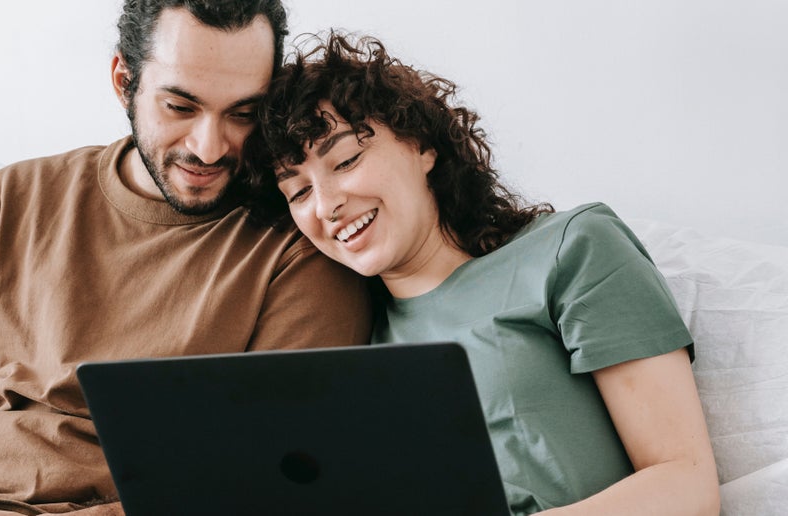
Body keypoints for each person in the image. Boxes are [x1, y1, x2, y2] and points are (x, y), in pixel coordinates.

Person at [0, 3, 372, 515]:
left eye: (242, 113)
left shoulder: (299, 247)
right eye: (180, 107)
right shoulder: (14, 195)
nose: (209, 148)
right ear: (124, 81)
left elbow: (257, 478)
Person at [245, 32, 720, 515]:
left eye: (346, 160)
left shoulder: (572, 249)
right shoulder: (354, 343)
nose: (326, 205)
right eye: (299, 192)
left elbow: (687, 484)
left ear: (421, 145)